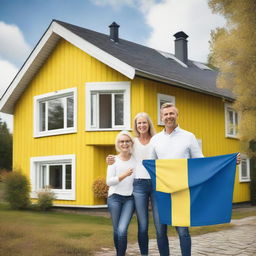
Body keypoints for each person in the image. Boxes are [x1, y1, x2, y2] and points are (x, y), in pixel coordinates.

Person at [150, 102, 241, 256]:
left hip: (182, 192)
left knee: (183, 232)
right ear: (161, 117)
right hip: (161, 190)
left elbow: (201, 162)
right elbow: (150, 165)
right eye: (165, 114)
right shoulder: (156, 140)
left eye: (171, 113)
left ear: (177, 115)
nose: (168, 116)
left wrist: (230, 162)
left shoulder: (188, 136)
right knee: (160, 232)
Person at [107, 112, 169, 256]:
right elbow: (122, 151)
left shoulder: (157, 140)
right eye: (139, 123)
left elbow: (165, 158)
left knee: (160, 226)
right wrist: (110, 159)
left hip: (156, 184)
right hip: (139, 186)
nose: (142, 125)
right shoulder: (133, 142)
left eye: (144, 122)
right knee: (143, 226)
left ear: (149, 124)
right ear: (136, 126)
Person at [106, 130, 136, 256]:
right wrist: (124, 175)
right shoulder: (113, 160)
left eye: (127, 141)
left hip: (130, 199)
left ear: (131, 143)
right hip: (114, 198)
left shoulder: (136, 159)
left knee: (122, 230)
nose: (124, 144)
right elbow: (109, 182)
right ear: (118, 144)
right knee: (117, 230)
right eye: (121, 141)